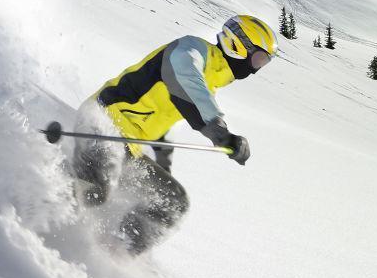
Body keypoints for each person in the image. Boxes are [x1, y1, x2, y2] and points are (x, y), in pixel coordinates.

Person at [73, 14, 278, 254]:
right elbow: (182, 79)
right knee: (98, 184)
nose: (257, 69)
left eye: (263, 63)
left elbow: (164, 109)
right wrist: (219, 131)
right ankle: (41, 201)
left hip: (128, 146)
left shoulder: (211, 78)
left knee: (172, 202)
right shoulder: (192, 49)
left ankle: (115, 253)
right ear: (238, 44)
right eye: (258, 59)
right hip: (102, 124)